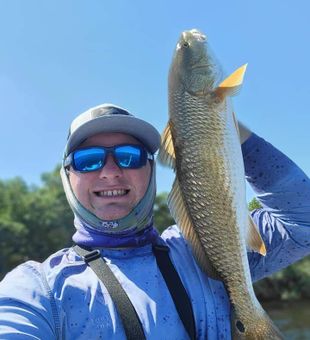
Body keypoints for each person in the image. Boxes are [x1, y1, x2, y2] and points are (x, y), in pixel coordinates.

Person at [0, 103, 309, 339]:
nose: (110, 171)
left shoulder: (205, 245)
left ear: (150, 169)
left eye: (129, 155)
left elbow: (302, 221)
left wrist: (216, 124)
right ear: (68, 176)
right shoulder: (38, 289)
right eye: (88, 159)